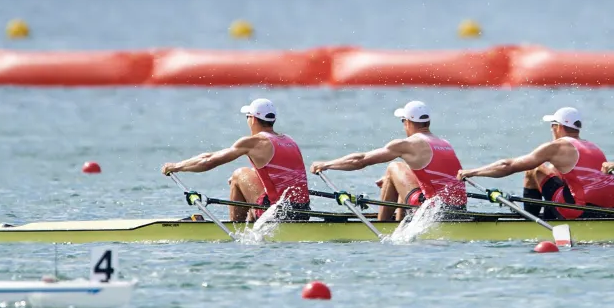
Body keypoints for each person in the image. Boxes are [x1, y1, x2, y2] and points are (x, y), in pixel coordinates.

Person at [310, 100, 467, 221]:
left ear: (408, 122)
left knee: (394, 167)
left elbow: (361, 160)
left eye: (403, 121)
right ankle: (400, 221)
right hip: (459, 209)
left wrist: (326, 164)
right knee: (399, 170)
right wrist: (392, 180)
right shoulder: (444, 143)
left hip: (435, 211)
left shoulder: (408, 144)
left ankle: (384, 226)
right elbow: (434, 176)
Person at [457, 106, 614, 220]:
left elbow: (508, 166)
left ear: (557, 127)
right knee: (555, 175)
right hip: (613, 210)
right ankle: (551, 214)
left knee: (533, 170)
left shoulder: (557, 147)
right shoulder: (592, 146)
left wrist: (472, 172)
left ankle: (531, 221)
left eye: (552, 126)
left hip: (583, 212)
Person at [161, 97, 310, 222]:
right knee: (247, 176)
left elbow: (208, 160)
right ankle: (251, 218)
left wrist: (177, 166)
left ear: (253, 119)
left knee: (238, 174)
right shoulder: (289, 140)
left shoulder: (254, 142)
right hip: (303, 212)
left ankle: (236, 228)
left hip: (280, 213)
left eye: (247, 117)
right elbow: (278, 174)